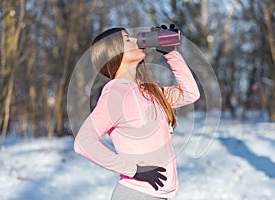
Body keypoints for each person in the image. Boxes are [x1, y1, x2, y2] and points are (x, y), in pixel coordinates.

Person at [74, 25, 200, 200]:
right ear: (113, 52)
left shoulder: (149, 90)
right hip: (137, 194)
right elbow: (83, 143)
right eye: (127, 40)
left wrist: (170, 53)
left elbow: (190, 93)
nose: (136, 41)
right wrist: (133, 170)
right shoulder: (116, 93)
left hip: (160, 195)